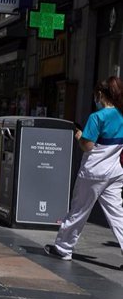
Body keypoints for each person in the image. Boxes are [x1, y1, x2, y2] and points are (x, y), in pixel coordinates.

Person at [45, 77, 123, 262]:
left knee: (79, 210)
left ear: (101, 95)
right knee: (118, 214)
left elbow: (87, 146)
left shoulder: (97, 117)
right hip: (116, 171)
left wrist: (79, 135)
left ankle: (64, 247)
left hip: (94, 172)